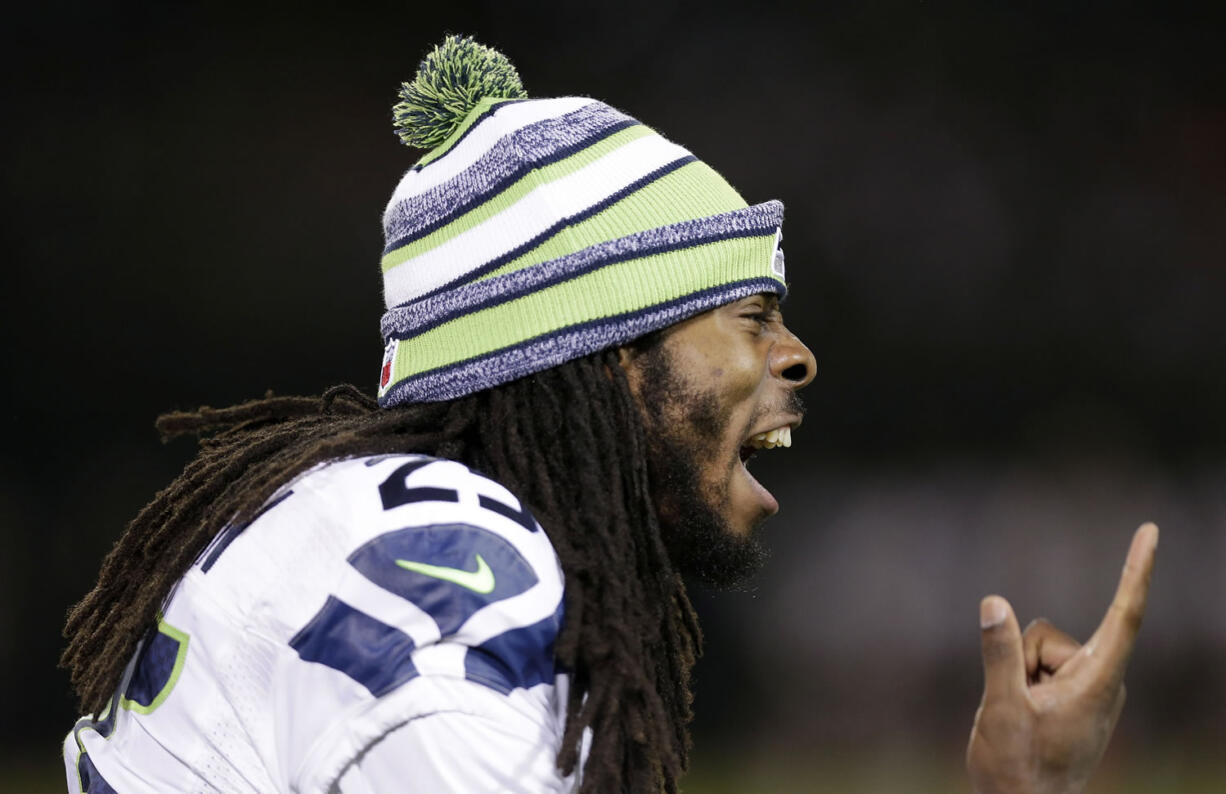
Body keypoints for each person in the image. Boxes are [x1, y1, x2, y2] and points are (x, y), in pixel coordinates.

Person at [60, 35, 1158, 794]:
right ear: (603, 357)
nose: (795, 355)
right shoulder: (453, 592)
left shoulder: (367, 517)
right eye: (747, 313)